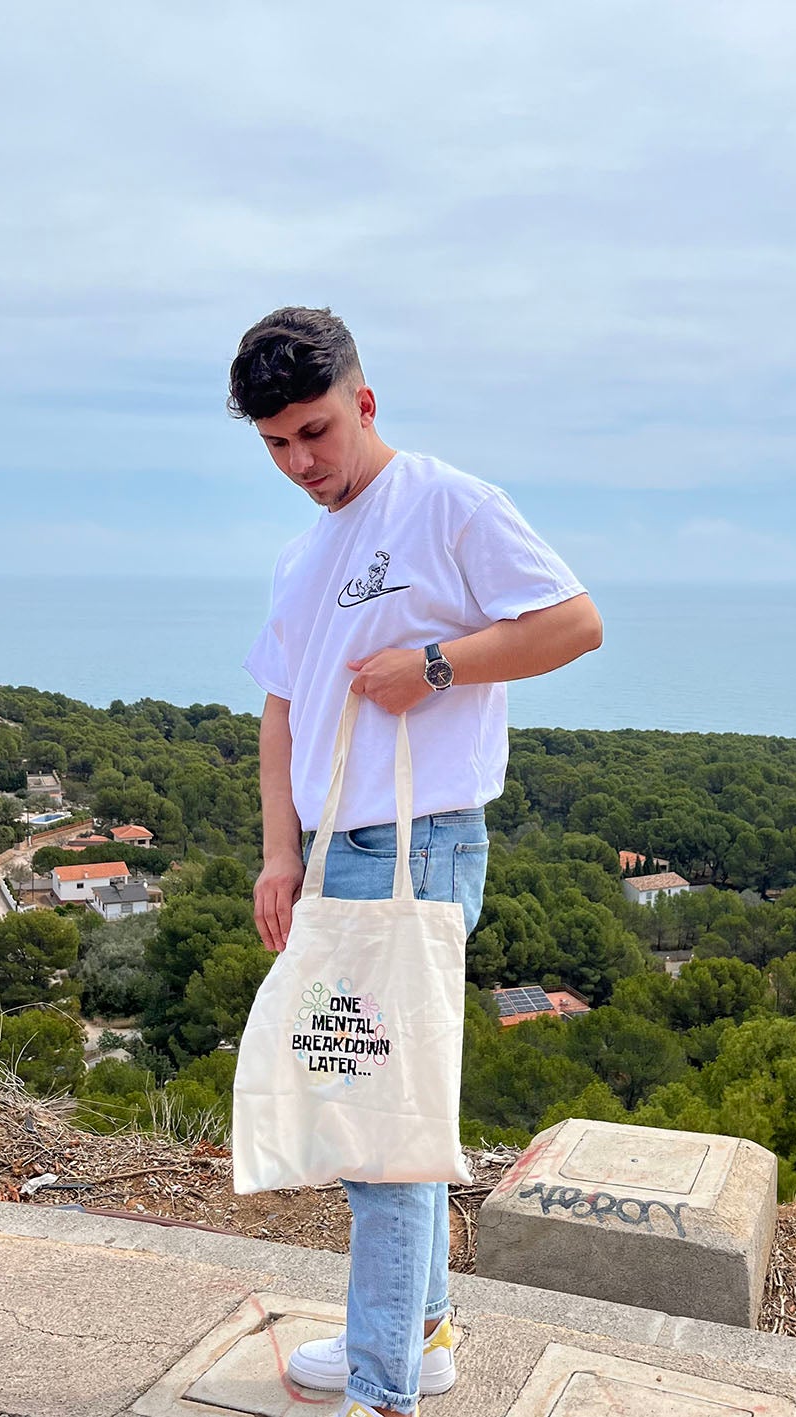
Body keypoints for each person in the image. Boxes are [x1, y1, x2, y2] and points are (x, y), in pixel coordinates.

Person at [230, 307, 602, 1417]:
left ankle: (386, 1388)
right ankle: (413, 1334)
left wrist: (434, 664)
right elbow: (284, 706)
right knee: (368, 1109)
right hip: (336, 848)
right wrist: (278, 852)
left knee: (385, 1131)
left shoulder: (446, 503)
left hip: (417, 845)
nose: (303, 462)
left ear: (364, 402)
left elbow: (573, 623)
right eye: (278, 444)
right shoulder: (304, 551)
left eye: (316, 430)